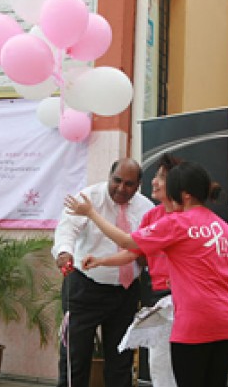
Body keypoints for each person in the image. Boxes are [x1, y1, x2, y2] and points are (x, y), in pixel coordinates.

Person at [66, 161, 228, 387]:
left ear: (185, 195)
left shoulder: (176, 222)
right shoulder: (223, 227)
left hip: (194, 321)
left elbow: (126, 241)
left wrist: (91, 213)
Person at [52, 158, 154, 387]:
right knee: (75, 358)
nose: (121, 188)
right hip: (84, 287)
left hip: (126, 292)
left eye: (129, 184)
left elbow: (142, 248)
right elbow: (67, 229)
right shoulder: (89, 198)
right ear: (109, 176)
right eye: (117, 181)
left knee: (121, 359)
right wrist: (64, 252)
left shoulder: (147, 208)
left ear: (138, 185)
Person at [136, 153, 181, 387]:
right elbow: (135, 250)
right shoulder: (151, 216)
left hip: (185, 299)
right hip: (158, 298)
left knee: (182, 364)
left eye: (161, 177)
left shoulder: (188, 217)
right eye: (155, 176)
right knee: (159, 363)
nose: (154, 181)